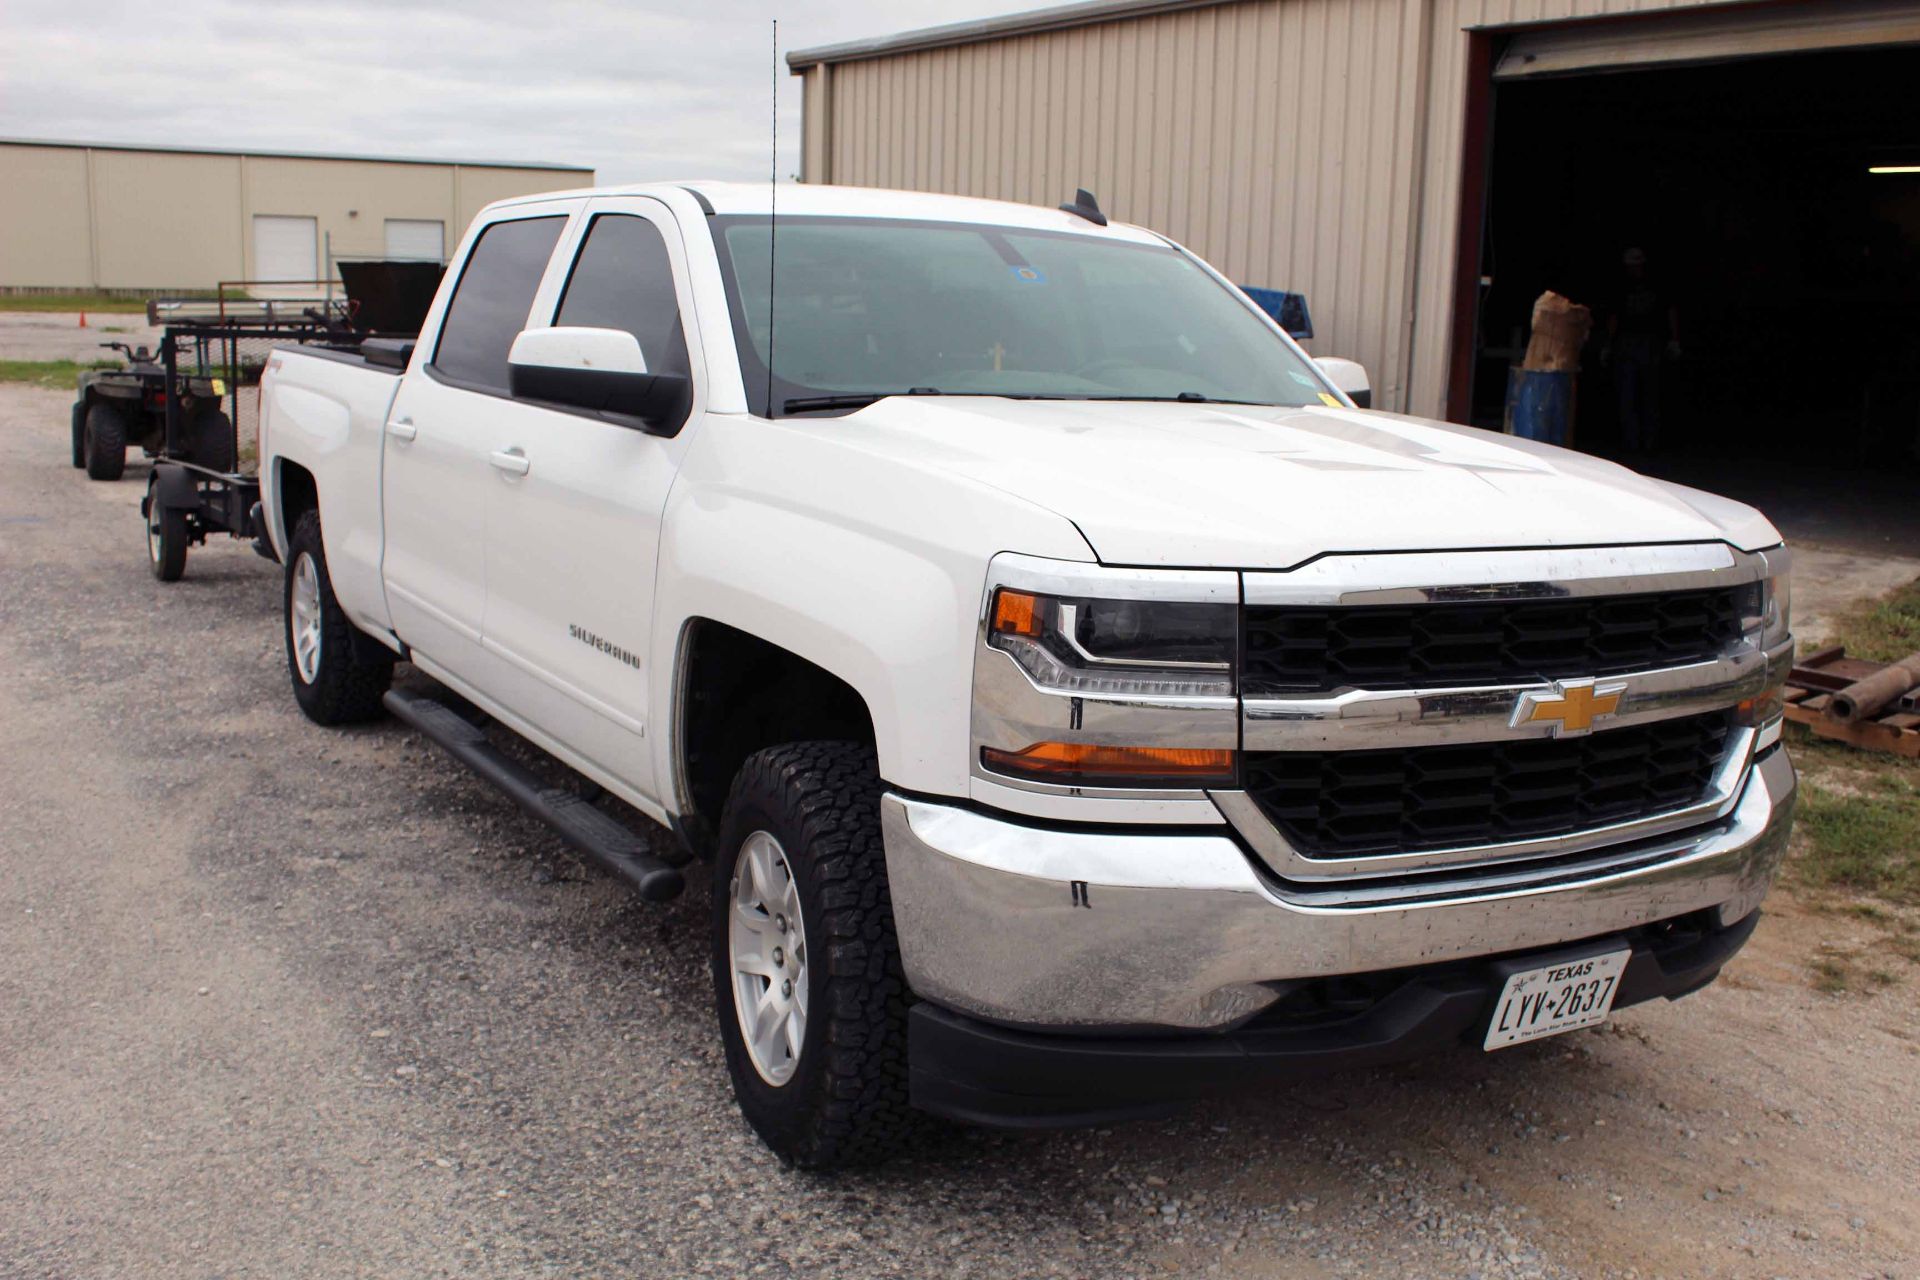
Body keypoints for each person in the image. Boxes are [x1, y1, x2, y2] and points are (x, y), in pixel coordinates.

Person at [1602, 247, 1681, 454]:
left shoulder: (1656, 284)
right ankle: (1632, 443)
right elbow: (1614, 317)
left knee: (1649, 393)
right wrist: (1609, 345)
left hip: (1649, 342)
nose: (1634, 269)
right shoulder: (1621, 286)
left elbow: (1670, 310)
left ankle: (1649, 443)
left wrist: (1674, 339)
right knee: (1628, 395)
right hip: (1627, 342)